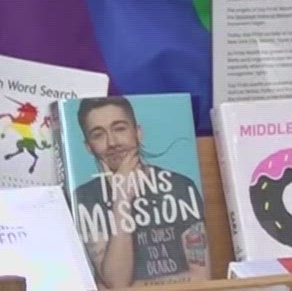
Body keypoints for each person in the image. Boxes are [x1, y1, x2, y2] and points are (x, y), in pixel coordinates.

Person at [68, 97, 209, 287]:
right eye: (98, 135)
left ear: (138, 132)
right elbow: (117, 282)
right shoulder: (84, 198)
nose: (112, 142)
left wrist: (130, 288)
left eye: (119, 128)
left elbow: (201, 278)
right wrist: (121, 198)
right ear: (88, 147)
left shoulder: (180, 186)